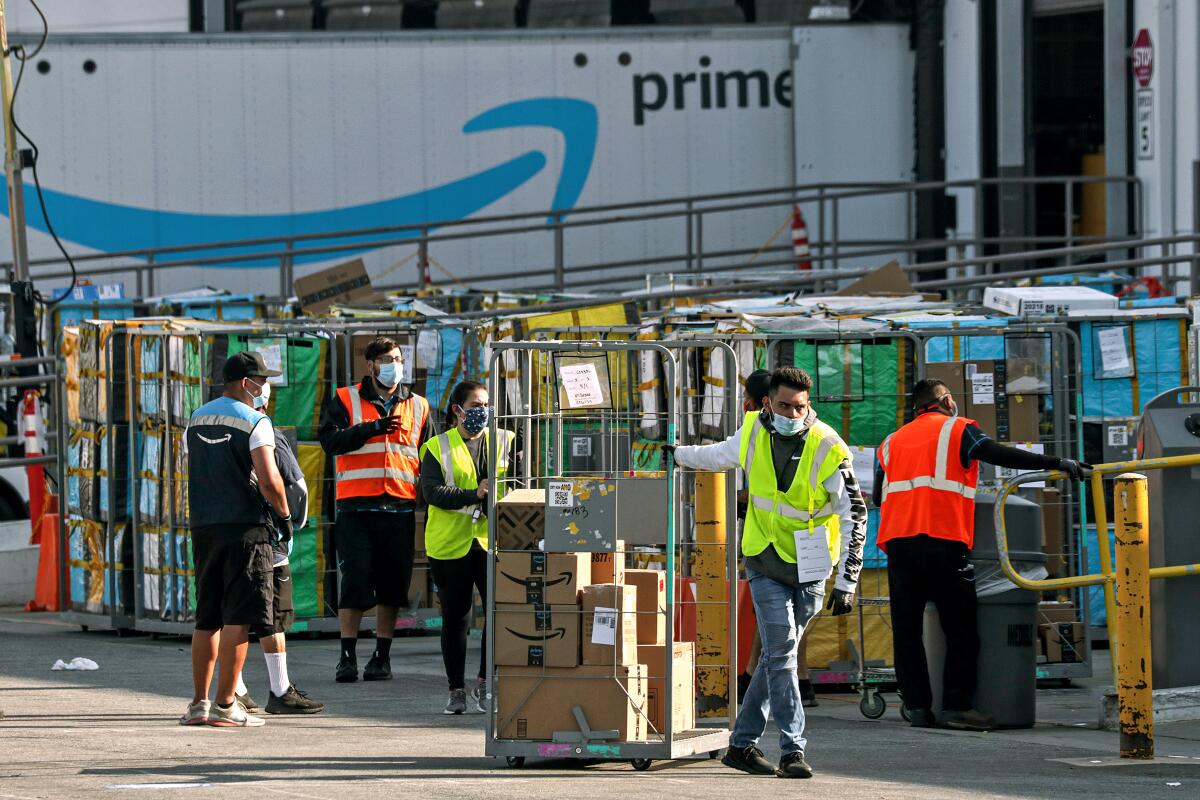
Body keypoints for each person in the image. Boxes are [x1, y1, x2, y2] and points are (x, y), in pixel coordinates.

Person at [666, 367, 867, 779]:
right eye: (784, 406)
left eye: (801, 407)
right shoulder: (753, 432)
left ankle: (740, 744)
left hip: (811, 567)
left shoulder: (830, 447)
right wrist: (679, 455)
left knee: (779, 655)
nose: (793, 413)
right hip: (763, 561)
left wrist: (847, 582)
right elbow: (717, 454)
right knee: (783, 652)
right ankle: (793, 750)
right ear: (766, 404)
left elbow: (855, 515)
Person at [874, 378, 1091, 732]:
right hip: (943, 537)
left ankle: (917, 707)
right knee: (960, 626)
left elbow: (878, 496)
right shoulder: (957, 429)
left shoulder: (891, 442)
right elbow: (999, 454)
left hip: (898, 541)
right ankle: (958, 706)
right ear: (945, 400)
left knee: (907, 630)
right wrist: (1057, 462)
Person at [179, 351, 290, 728]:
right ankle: (227, 705)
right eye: (261, 380)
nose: (265, 388)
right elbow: (271, 479)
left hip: (205, 528)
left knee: (207, 617)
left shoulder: (196, 418)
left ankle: (198, 704)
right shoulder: (256, 421)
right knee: (239, 617)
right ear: (246, 383)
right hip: (246, 529)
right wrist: (285, 516)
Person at [319, 337, 432, 683]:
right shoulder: (344, 398)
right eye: (385, 359)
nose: (393, 365)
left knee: (392, 585)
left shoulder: (418, 405)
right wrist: (370, 430)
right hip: (356, 506)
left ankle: (382, 656)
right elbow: (330, 442)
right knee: (353, 582)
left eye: (398, 358)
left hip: (398, 506)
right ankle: (347, 656)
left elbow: (425, 455)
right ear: (369, 365)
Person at [419, 381, 517, 715]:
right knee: (456, 618)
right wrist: (473, 494)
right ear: (457, 410)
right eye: (476, 404)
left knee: (497, 612)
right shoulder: (436, 446)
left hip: (494, 541)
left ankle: (485, 683)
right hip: (450, 544)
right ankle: (455, 689)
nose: (483, 411)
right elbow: (432, 493)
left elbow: (520, 483)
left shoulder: (506, 440)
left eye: (487, 404)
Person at [235, 431, 325, 715]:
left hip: (223, 534)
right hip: (267, 536)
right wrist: (290, 520)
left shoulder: (209, 430)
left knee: (231, 614)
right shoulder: (266, 433)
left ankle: (233, 689)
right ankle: (280, 689)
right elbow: (294, 484)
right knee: (273, 614)